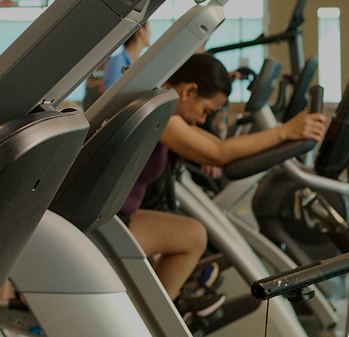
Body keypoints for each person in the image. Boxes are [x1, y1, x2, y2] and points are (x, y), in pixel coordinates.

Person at [119, 53, 327, 322]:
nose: (204, 119)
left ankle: (149, 317)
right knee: (191, 237)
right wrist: (284, 132)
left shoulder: (160, 104)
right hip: (107, 224)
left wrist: (279, 135)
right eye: (206, 110)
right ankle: (151, 322)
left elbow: (212, 145)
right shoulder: (162, 113)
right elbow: (216, 152)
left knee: (192, 234)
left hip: (117, 216)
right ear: (190, 91)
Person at [102, 22, 151, 93]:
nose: (150, 33)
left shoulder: (138, 62)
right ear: (140, 31)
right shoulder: (117, 62)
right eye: (149, 29)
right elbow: (111, 97)